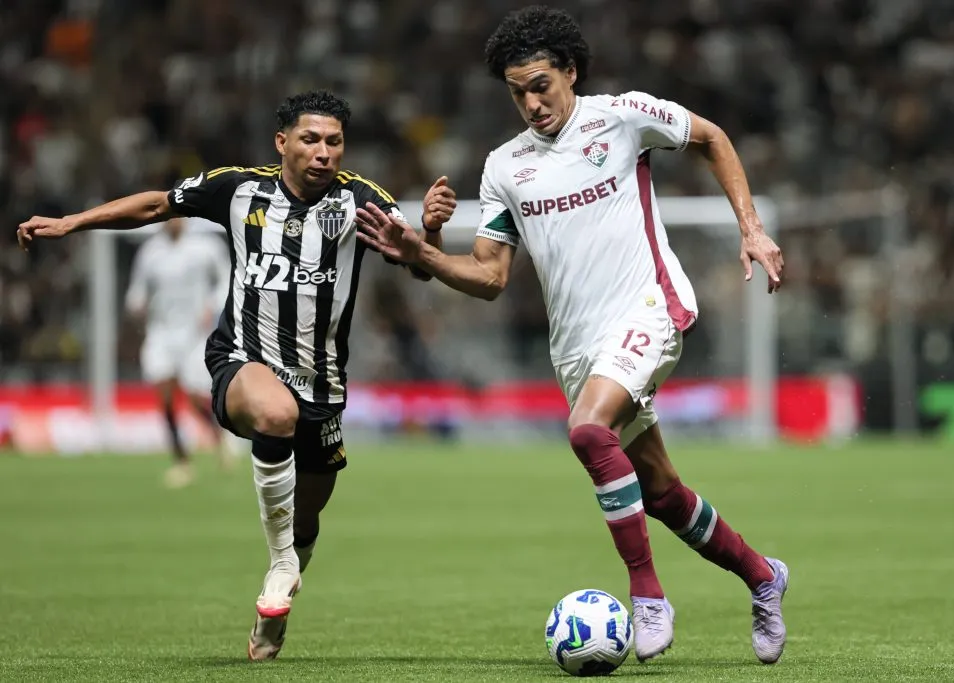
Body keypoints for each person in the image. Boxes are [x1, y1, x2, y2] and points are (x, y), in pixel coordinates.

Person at [355, 5, 788, 665]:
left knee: (588, 432)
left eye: (540, 86)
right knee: (662, 491)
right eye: (516, 92)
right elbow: (490, 275)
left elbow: (713, 139)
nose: (530, 103)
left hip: (649, 307)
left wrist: (750, 227)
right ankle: (763, 576)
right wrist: (422, 251)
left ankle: (647, 594)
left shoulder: (622, 115)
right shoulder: (505, 167)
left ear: (570, 73)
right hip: (578, 348)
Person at [17, 89, 457, 660]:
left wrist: (432, 232)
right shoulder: (238, 187)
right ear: (282, 143)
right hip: (242, 360)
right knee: (275, 414)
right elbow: (157, 206)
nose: (324, 152)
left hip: (322, 383)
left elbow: (416, 265)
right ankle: (278, 566)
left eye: (334, 142)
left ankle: (277, 601)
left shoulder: (362, 201)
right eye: (311, 139)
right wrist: (74, 222)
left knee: (308, 519)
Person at [125, 216, 232, 487]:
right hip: (161, 332)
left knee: (196, 397)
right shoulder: (151, 251)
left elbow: (226, 279)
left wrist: (212, 305)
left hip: (195, 334)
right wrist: (137, 304)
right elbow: (137, 291)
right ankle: (181, 460)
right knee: (165, 393)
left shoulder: (205, 246)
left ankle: (220, 439)